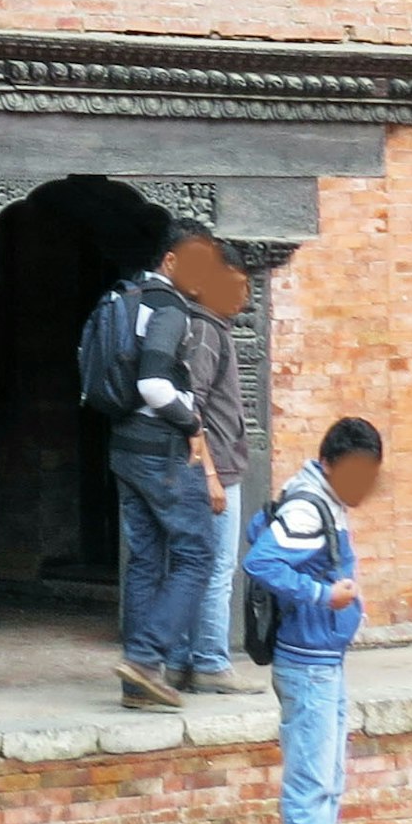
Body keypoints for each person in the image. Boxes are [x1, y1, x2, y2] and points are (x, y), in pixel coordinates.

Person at [245, 415, 384, 824]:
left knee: (326, 781)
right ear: (329, 464)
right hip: (308, 665)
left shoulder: (323, 498)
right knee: (312, 786)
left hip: (324, 662)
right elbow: (261, 563)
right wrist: (324, 597)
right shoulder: (308, 506)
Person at [100, 221, 248, 709]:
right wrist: (190, 428)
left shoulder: (129, 299)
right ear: (170, 262)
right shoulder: (168, 308)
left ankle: (138, 682)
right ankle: (146, 659)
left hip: (124, 443)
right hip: (159, 448)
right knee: (197, 555)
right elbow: (155, 387)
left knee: (145, 559)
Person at [170, 243, 255, 696]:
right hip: (214, 467)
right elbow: (191, 408)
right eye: (236, 287)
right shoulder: (204, 332)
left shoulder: (208, 328)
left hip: (212, 466)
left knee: (196, 564)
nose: (244, 299)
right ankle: (209, 662)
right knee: (217, 568)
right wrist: (209, 475)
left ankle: (183, 661)